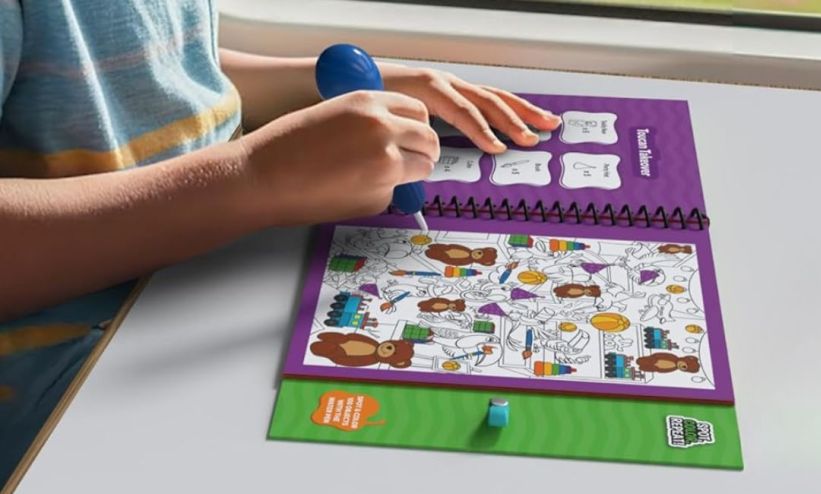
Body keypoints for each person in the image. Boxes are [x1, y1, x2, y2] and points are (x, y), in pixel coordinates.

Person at [0, 0, 561, 484]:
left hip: (199, 261)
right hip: (71, 372)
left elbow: (169, 75)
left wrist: (328, 93)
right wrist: (253, 179)